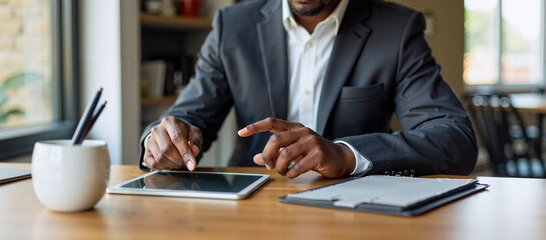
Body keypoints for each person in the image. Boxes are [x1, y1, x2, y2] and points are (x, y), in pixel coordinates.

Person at [138, 0, 477, 179]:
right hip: (253, 208)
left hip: (358, 212)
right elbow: (189, 116)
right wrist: (165, 139)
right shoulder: (232, 27)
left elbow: (455, 138)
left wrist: (345, 155)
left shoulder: (397, 29)